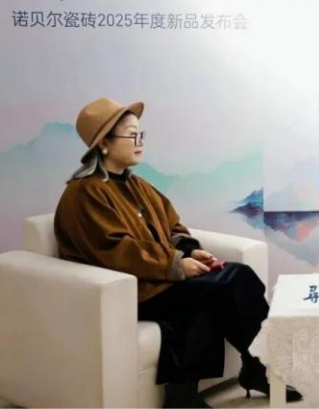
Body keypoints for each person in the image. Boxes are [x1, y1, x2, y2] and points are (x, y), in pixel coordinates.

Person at [54, 98, 302, 409]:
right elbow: (116, 249)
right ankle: (253, 370)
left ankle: (225, 381)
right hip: (132, 292)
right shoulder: (84, 192)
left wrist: (191, 251)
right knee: (226, 285)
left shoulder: (137, 185)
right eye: (132, 135)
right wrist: (176, 265)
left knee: (229, 284)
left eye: (141, 134)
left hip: (160, 280)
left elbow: (172, 226)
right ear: (103, 142)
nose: (140, 142)